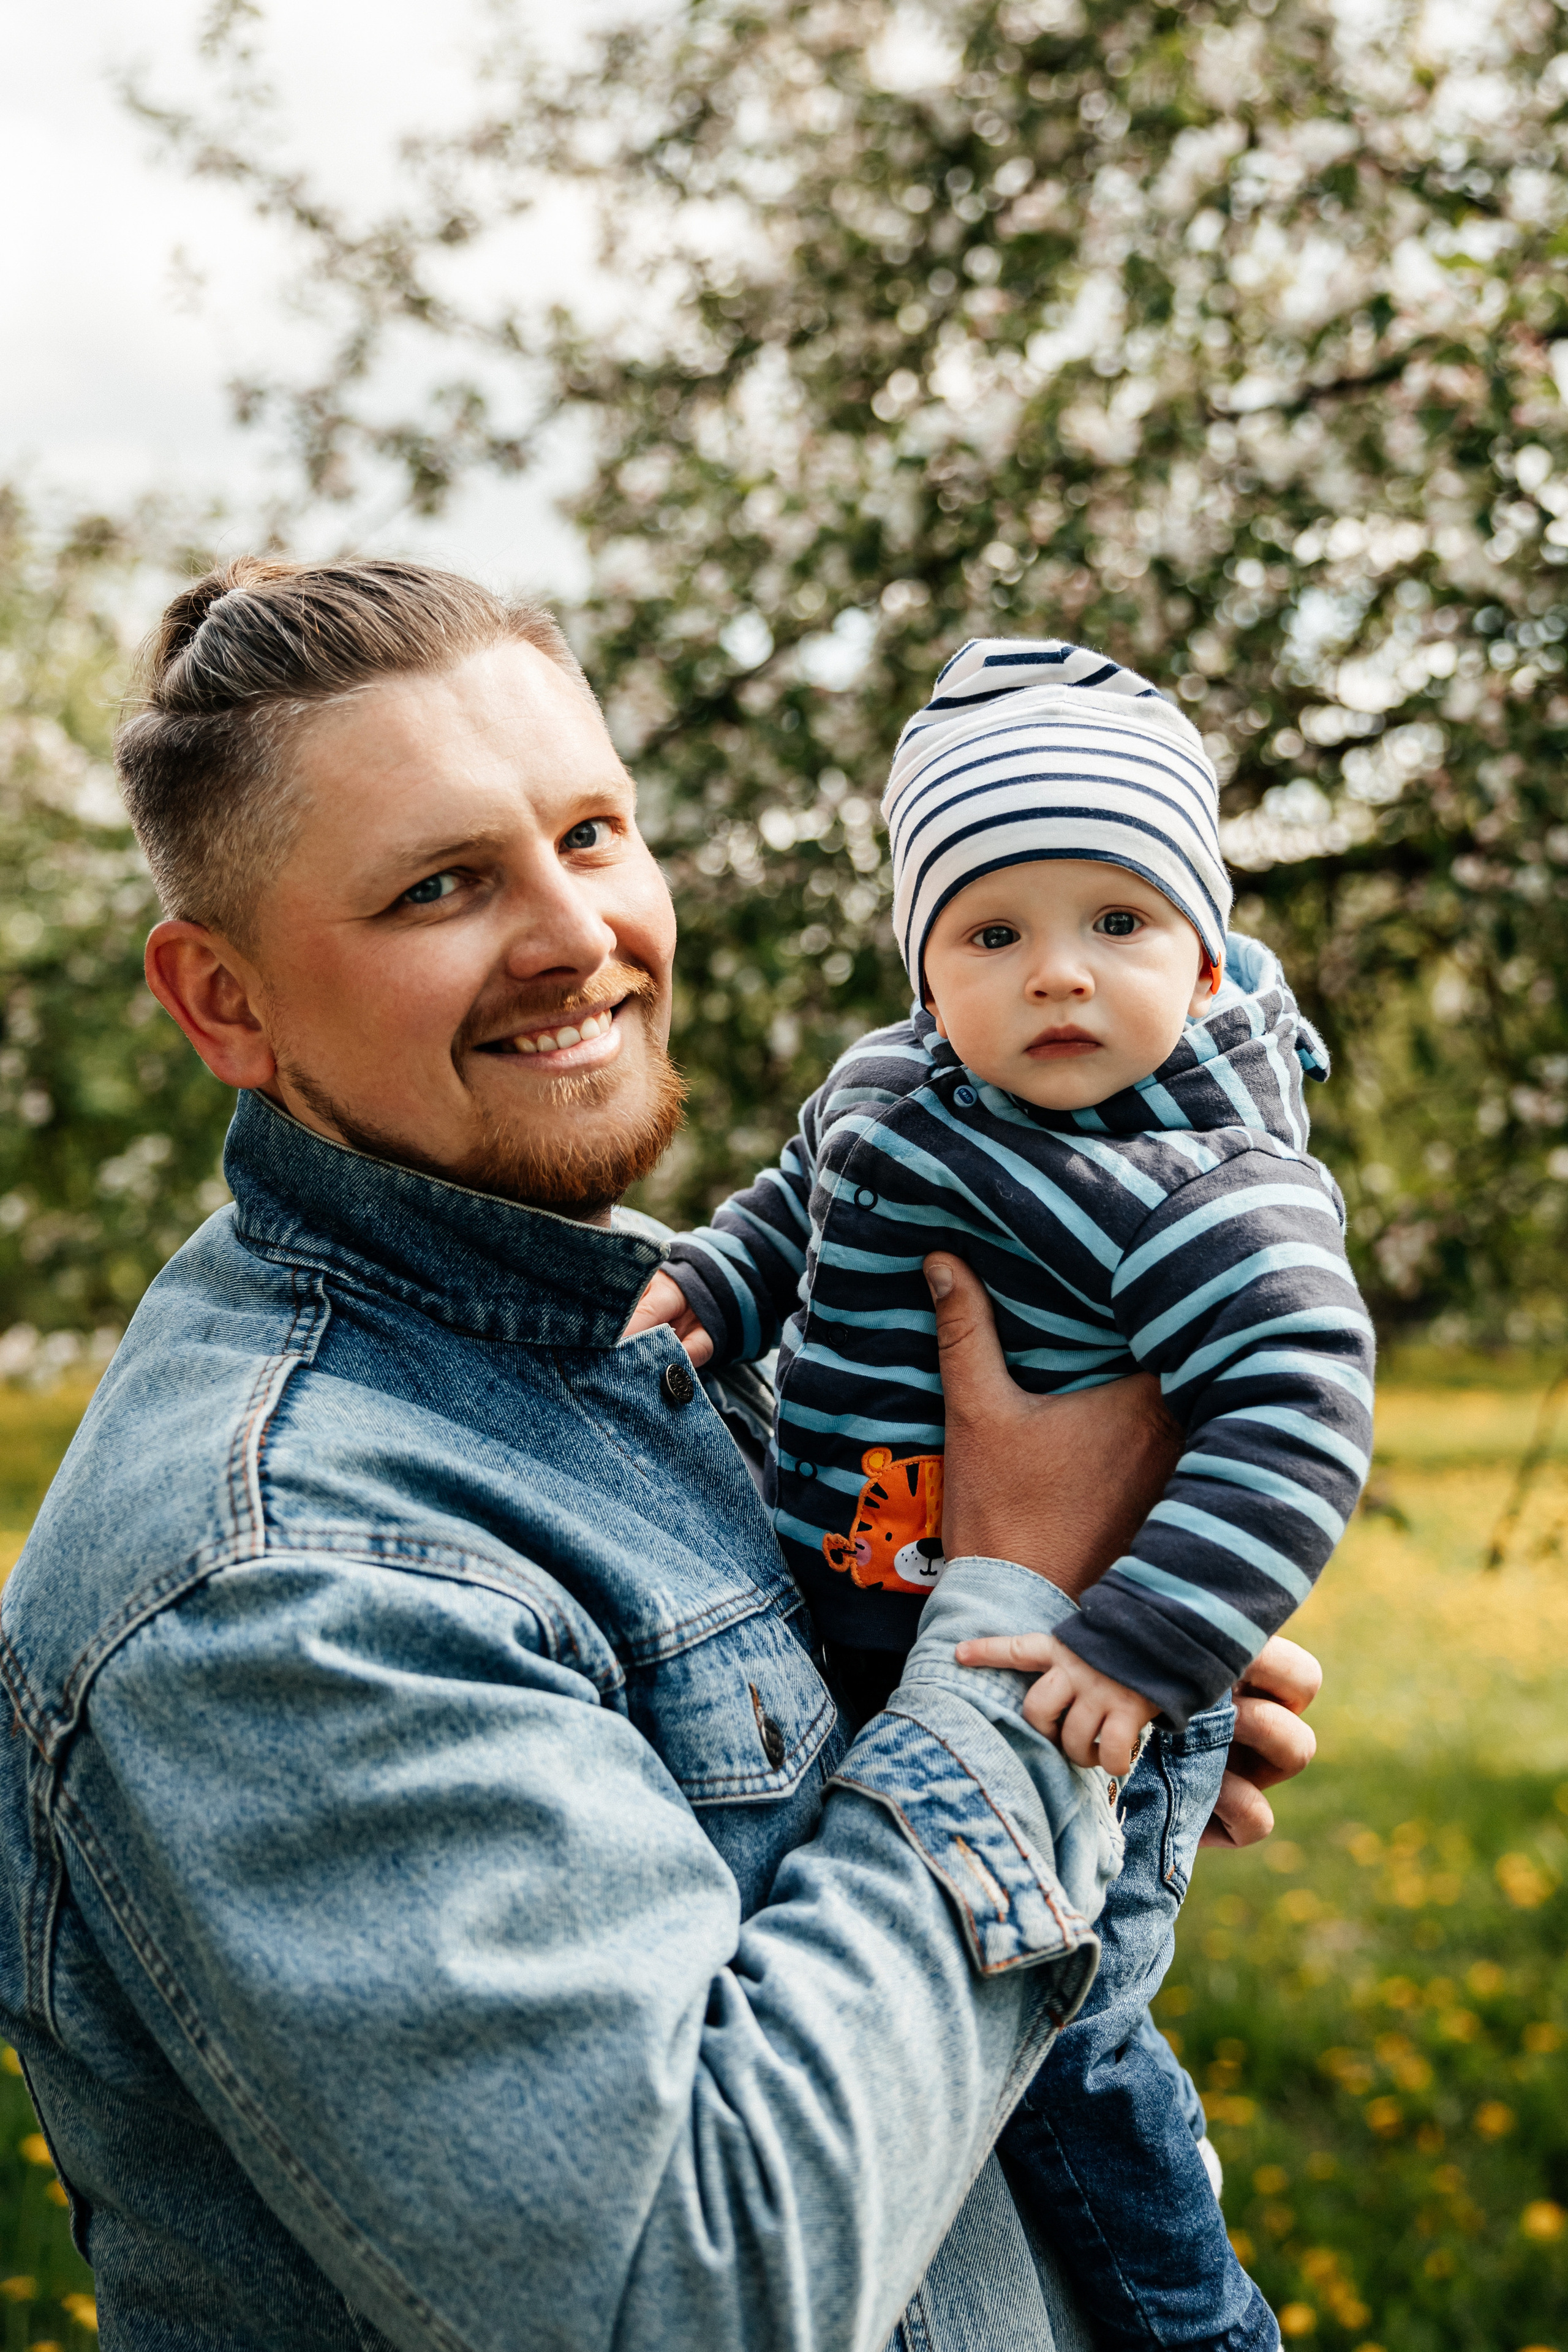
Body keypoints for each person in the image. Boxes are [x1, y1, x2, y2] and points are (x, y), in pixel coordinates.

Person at [0, 563, 1321, 2352]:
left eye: (595, 832)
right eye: (441, 885)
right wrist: (1023, 1626)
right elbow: (690, 2299)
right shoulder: (276, 1574)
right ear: (222, 1002)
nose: (576, 936)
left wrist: (1116, 1693)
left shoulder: (668, 1324)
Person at [633, 638, 1374, 2350]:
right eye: (995, 932)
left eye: (1117, 922)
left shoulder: (1194, 1183)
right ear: (924, 969)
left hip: (1100, 1665)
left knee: (1068, 2028)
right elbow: (790, 1202)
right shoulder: (885, 1093)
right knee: (929, 2000)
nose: (1058, 976)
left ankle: (1189, 2321)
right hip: (875, 1619)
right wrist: (712, 1289)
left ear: (1200, 956)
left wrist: (1139, 1643)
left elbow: (1298, 1421)